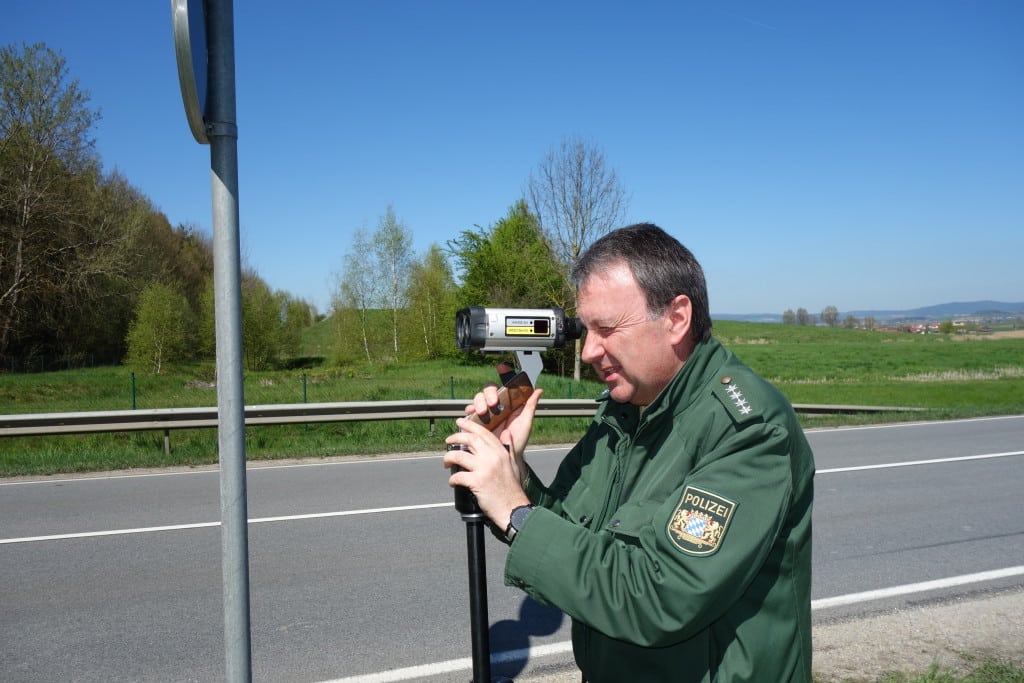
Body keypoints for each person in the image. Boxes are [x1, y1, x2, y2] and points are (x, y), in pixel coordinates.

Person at [444, 223, 815, 682]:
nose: (588, 350)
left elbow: (659, 597)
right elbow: (567, 531)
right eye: (585, 329)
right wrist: (510, 472)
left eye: (607, 329)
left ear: (677, 317)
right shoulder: (627, 412)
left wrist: (516, 513)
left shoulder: (749, 430)